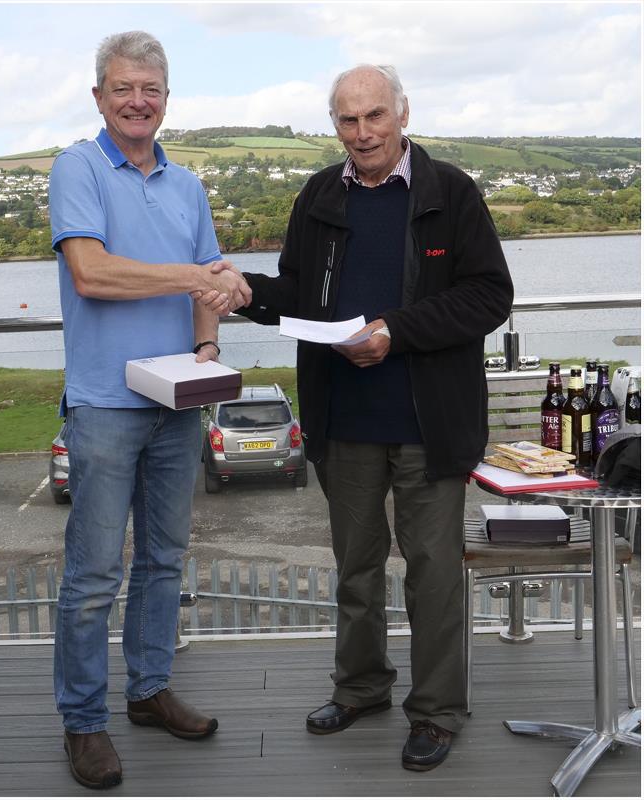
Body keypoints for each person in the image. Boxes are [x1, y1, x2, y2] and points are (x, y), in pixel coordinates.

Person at [226, 64, 514, 771]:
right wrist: (247, 292)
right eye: (348, 121)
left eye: (375, 117)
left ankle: (438, 712)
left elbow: (489, 297)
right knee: (355, 570)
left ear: (402, 114)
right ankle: (359, 689)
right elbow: (299, 291)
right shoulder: (320, 193)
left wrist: (395, 331)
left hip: (430, 424)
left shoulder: (451, 192)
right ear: (336, 127)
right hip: (344, 421)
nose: (363, 133)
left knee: (434, 575)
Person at [48, 30, 251, 790]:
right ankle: (82, 722)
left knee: (164, 561)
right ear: (100, 96)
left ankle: (148, 690)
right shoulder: (77, 167)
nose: (139, 101)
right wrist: (190, 276)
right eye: (125, 88)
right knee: (94, 575)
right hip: (104, 405)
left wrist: (205, 352)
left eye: (152, 90)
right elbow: (92, 273)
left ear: (168, 100)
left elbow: (210, 291)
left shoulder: (187, 185)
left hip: (178, 403)